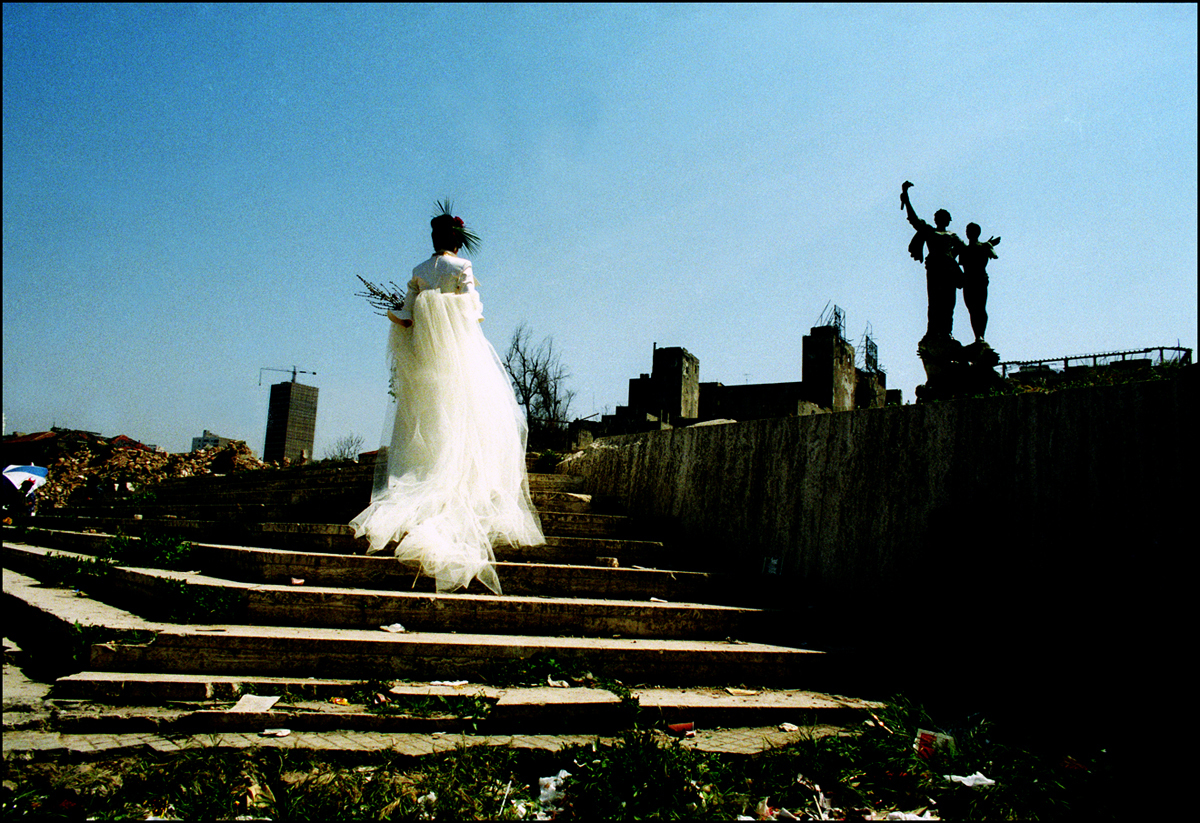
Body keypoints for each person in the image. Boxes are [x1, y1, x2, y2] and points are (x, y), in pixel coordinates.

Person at [350, 205, 544, 594]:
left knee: (428, 416)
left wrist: (425, 307)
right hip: (459, 356)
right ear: (456, 239)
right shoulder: (462, 268)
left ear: (434, 239)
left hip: (427, 361)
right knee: (467, 414)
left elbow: (404, 317)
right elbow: (472, 310)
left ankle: (423, 473)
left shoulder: (419, 270)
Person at [901, 181, 965, 340]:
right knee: (935, 301)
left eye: (944, 218)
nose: (942, 220)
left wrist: (985, 246)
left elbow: (965, 249)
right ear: (936, 219)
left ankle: (947, 331)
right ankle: (932, 331)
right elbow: (913, 219)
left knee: (949, 302)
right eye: (939, 217)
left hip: (949, 269)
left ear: (948, 220)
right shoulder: (929, 231)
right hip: (935, 269)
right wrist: (906, 198)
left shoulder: (952, 235)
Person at [958, 222, 1000, 343]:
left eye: (971, 230)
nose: (968, 233)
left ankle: (980, 335)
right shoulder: (964, 249)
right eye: (967, 230)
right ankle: (977, 335)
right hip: (968, 280)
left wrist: (989, 245)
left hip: (979, 279)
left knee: (980, 308)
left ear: (977, 233)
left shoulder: (984, 246)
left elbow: (994, 255)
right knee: (972, 309)